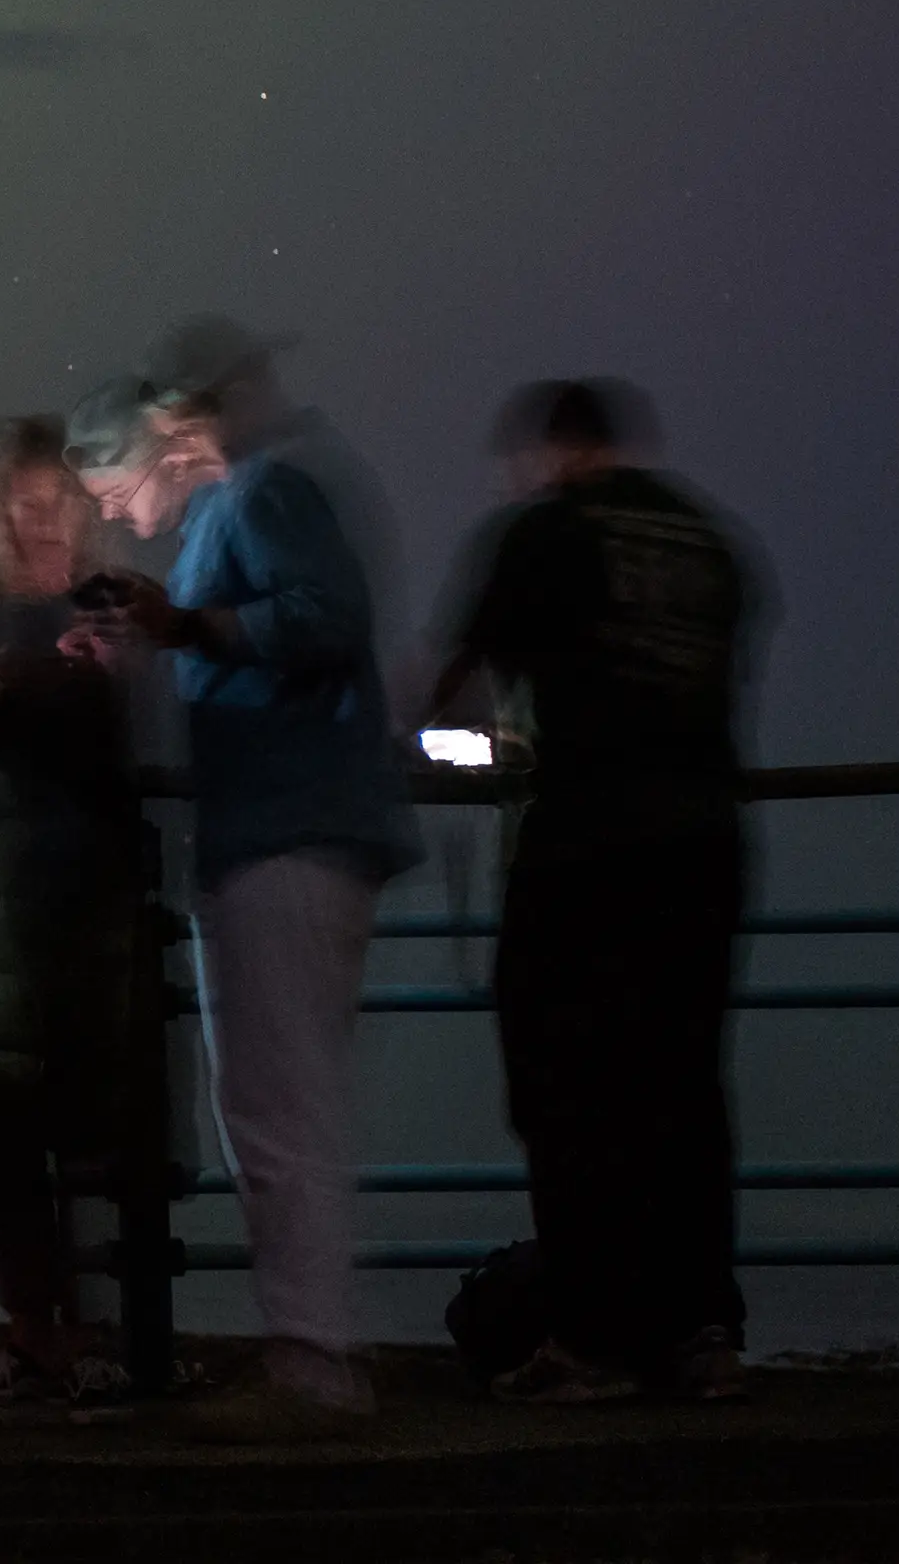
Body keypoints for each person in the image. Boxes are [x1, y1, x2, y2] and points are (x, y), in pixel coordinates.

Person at [75, 316, 414, 1442]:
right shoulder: (272, 487)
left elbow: (320, 620)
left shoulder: (257, 493)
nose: (115, 514)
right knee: (285, 1100)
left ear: (178, 428)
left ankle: (312, 1362)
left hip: (283, 834)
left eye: (117, 484)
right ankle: (310, 1349)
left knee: (278, 1105)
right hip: (301, 829)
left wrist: (183, 624)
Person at [433, 378, 762, 1404]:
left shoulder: (545, 533)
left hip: (585, 847)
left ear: (551, 453)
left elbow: (457, 687)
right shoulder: (708, 540)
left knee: (567, 1089)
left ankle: (593, 1340)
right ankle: (700, 1330)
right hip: (705, 842)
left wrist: (470, 750)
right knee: (682, 1089)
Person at [0, 419, 144, 1421]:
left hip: (80, 900)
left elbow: (139, 735)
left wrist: (111, 674)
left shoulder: (115, 608)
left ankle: (82, 1331)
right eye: (20, 498)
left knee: (87, 1124)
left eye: (51, 496)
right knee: (2, 1130)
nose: (36, 514)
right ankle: (39, 1330)